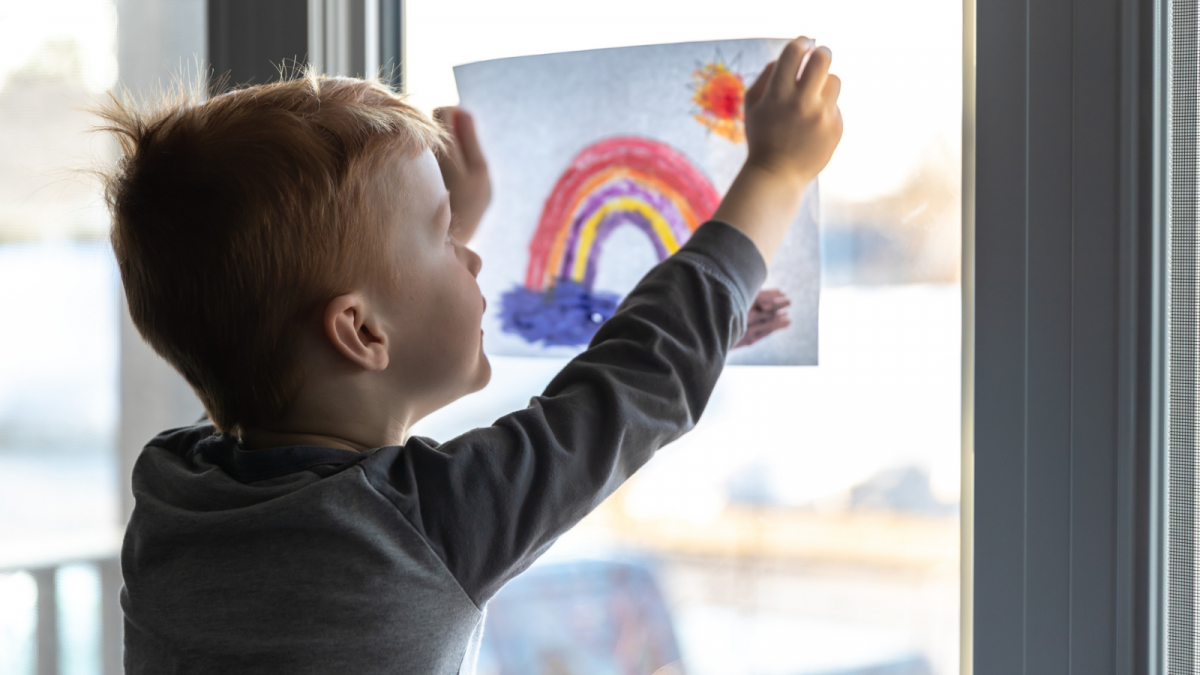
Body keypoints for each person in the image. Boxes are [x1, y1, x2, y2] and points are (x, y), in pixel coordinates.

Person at [101, 35, 841, 674]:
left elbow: (250, 345)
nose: (474, 260)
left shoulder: (173, 489)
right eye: (446, 236)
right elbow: (642, 379)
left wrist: (420, 239)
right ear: (360, 332)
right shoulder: (415, 528)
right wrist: (773, 173)